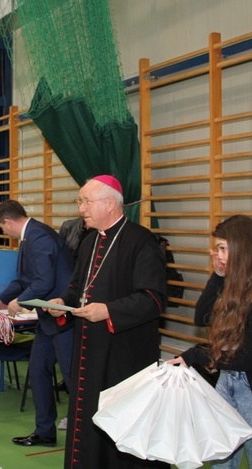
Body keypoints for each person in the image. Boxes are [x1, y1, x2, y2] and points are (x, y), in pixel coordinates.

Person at [48, 175, 167, 468]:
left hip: (124, 358)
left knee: (119, 437)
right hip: (90, 351)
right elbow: (79, 288)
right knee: (87, 426)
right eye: (80, 201)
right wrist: (63, 302)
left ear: (110, 203)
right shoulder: (89, 242)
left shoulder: (142, 241)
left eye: (86, 201)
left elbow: (154, 299)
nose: (81, 209)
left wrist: (109, 311)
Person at [170, 214, 252, 468]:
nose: (217, 254)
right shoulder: (238, 282)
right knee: (221, 462)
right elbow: (201, 315)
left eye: (223, 248)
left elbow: (249, 358)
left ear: (242, 248)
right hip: (229, 382)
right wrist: (218, 274)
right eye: (218, 248)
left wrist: (197, 355)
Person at [0, 199, 74, 447]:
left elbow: (43, 281)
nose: (4, 232)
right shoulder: (28, 237)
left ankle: (88, 433)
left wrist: (19, 303)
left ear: (8, 222)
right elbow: (23, 279)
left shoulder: (39, 237)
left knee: (73, 379)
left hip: (63, 319)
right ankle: (45, 431)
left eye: (2, 227)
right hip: (47, 321)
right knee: (38, 371)